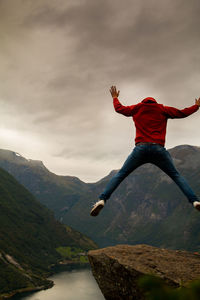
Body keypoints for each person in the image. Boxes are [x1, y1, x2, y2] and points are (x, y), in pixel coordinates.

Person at [90, 86, 200, 217]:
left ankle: (102, 199)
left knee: (121, 175)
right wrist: (196, 106)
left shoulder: (137, 108)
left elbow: (119, 109)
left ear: (143, 102)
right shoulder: (162, 109)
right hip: (158, 149)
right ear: (155, 102)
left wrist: (115, 98)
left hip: (140, 149)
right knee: (176, 176)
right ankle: (194, 201)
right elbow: (182, 113)